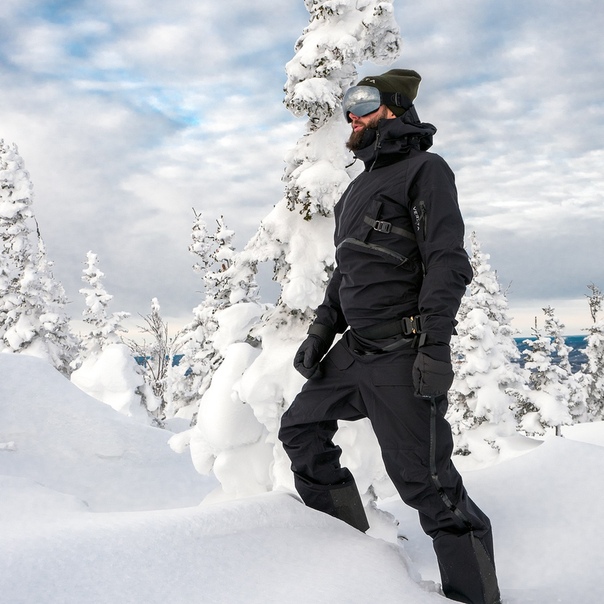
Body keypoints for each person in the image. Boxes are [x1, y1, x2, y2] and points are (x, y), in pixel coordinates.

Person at [278, 69, 501, 604]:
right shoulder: (356, 189)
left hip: (404, 355)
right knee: (300, 430)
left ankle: (475, 597)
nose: (351, 115)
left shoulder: (425, 171)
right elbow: (346, 270)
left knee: (429, 488)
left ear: (395, 108)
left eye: (364, 102)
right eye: (348, 106)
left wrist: (435, 347)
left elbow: (447, 261)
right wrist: (321, 330)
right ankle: (351, 557)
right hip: (355, 352)